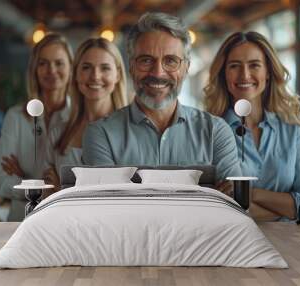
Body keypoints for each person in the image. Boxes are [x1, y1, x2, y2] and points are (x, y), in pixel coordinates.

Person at [82, 12, 241, 185]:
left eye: (170, 61)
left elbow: (231, 205)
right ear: (131, 67)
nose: (158, 72)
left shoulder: (216, 132)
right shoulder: (101, 135)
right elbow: (107, 206)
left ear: (186, 68)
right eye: (146, 60)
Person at [203, 31, 300, 221]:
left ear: (267, 73)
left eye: (254, 65)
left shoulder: (292, 134)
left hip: (290, 247)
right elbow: (214, 210)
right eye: (234, 66)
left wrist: (250, 193)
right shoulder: (208, 134)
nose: (245, 75)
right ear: (224, 74)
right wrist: (286, 209)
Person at [0, 33, 73, 221]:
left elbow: (80, 185)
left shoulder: (80, 119)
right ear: (34, 69)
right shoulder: (16, 116)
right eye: (43, 63)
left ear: (71, 67)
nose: (51, 70)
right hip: (21, 223)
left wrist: (25, 180)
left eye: (59, 63)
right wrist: (43, 189)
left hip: (64, 223)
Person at [42, 38, 128, 188]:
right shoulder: (58, 133)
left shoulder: (132, 133)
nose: (95, 76)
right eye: (87, 67)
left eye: (105, 68)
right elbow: (45, 191)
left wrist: (60, 190)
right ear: (75, 74)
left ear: (118, 75)